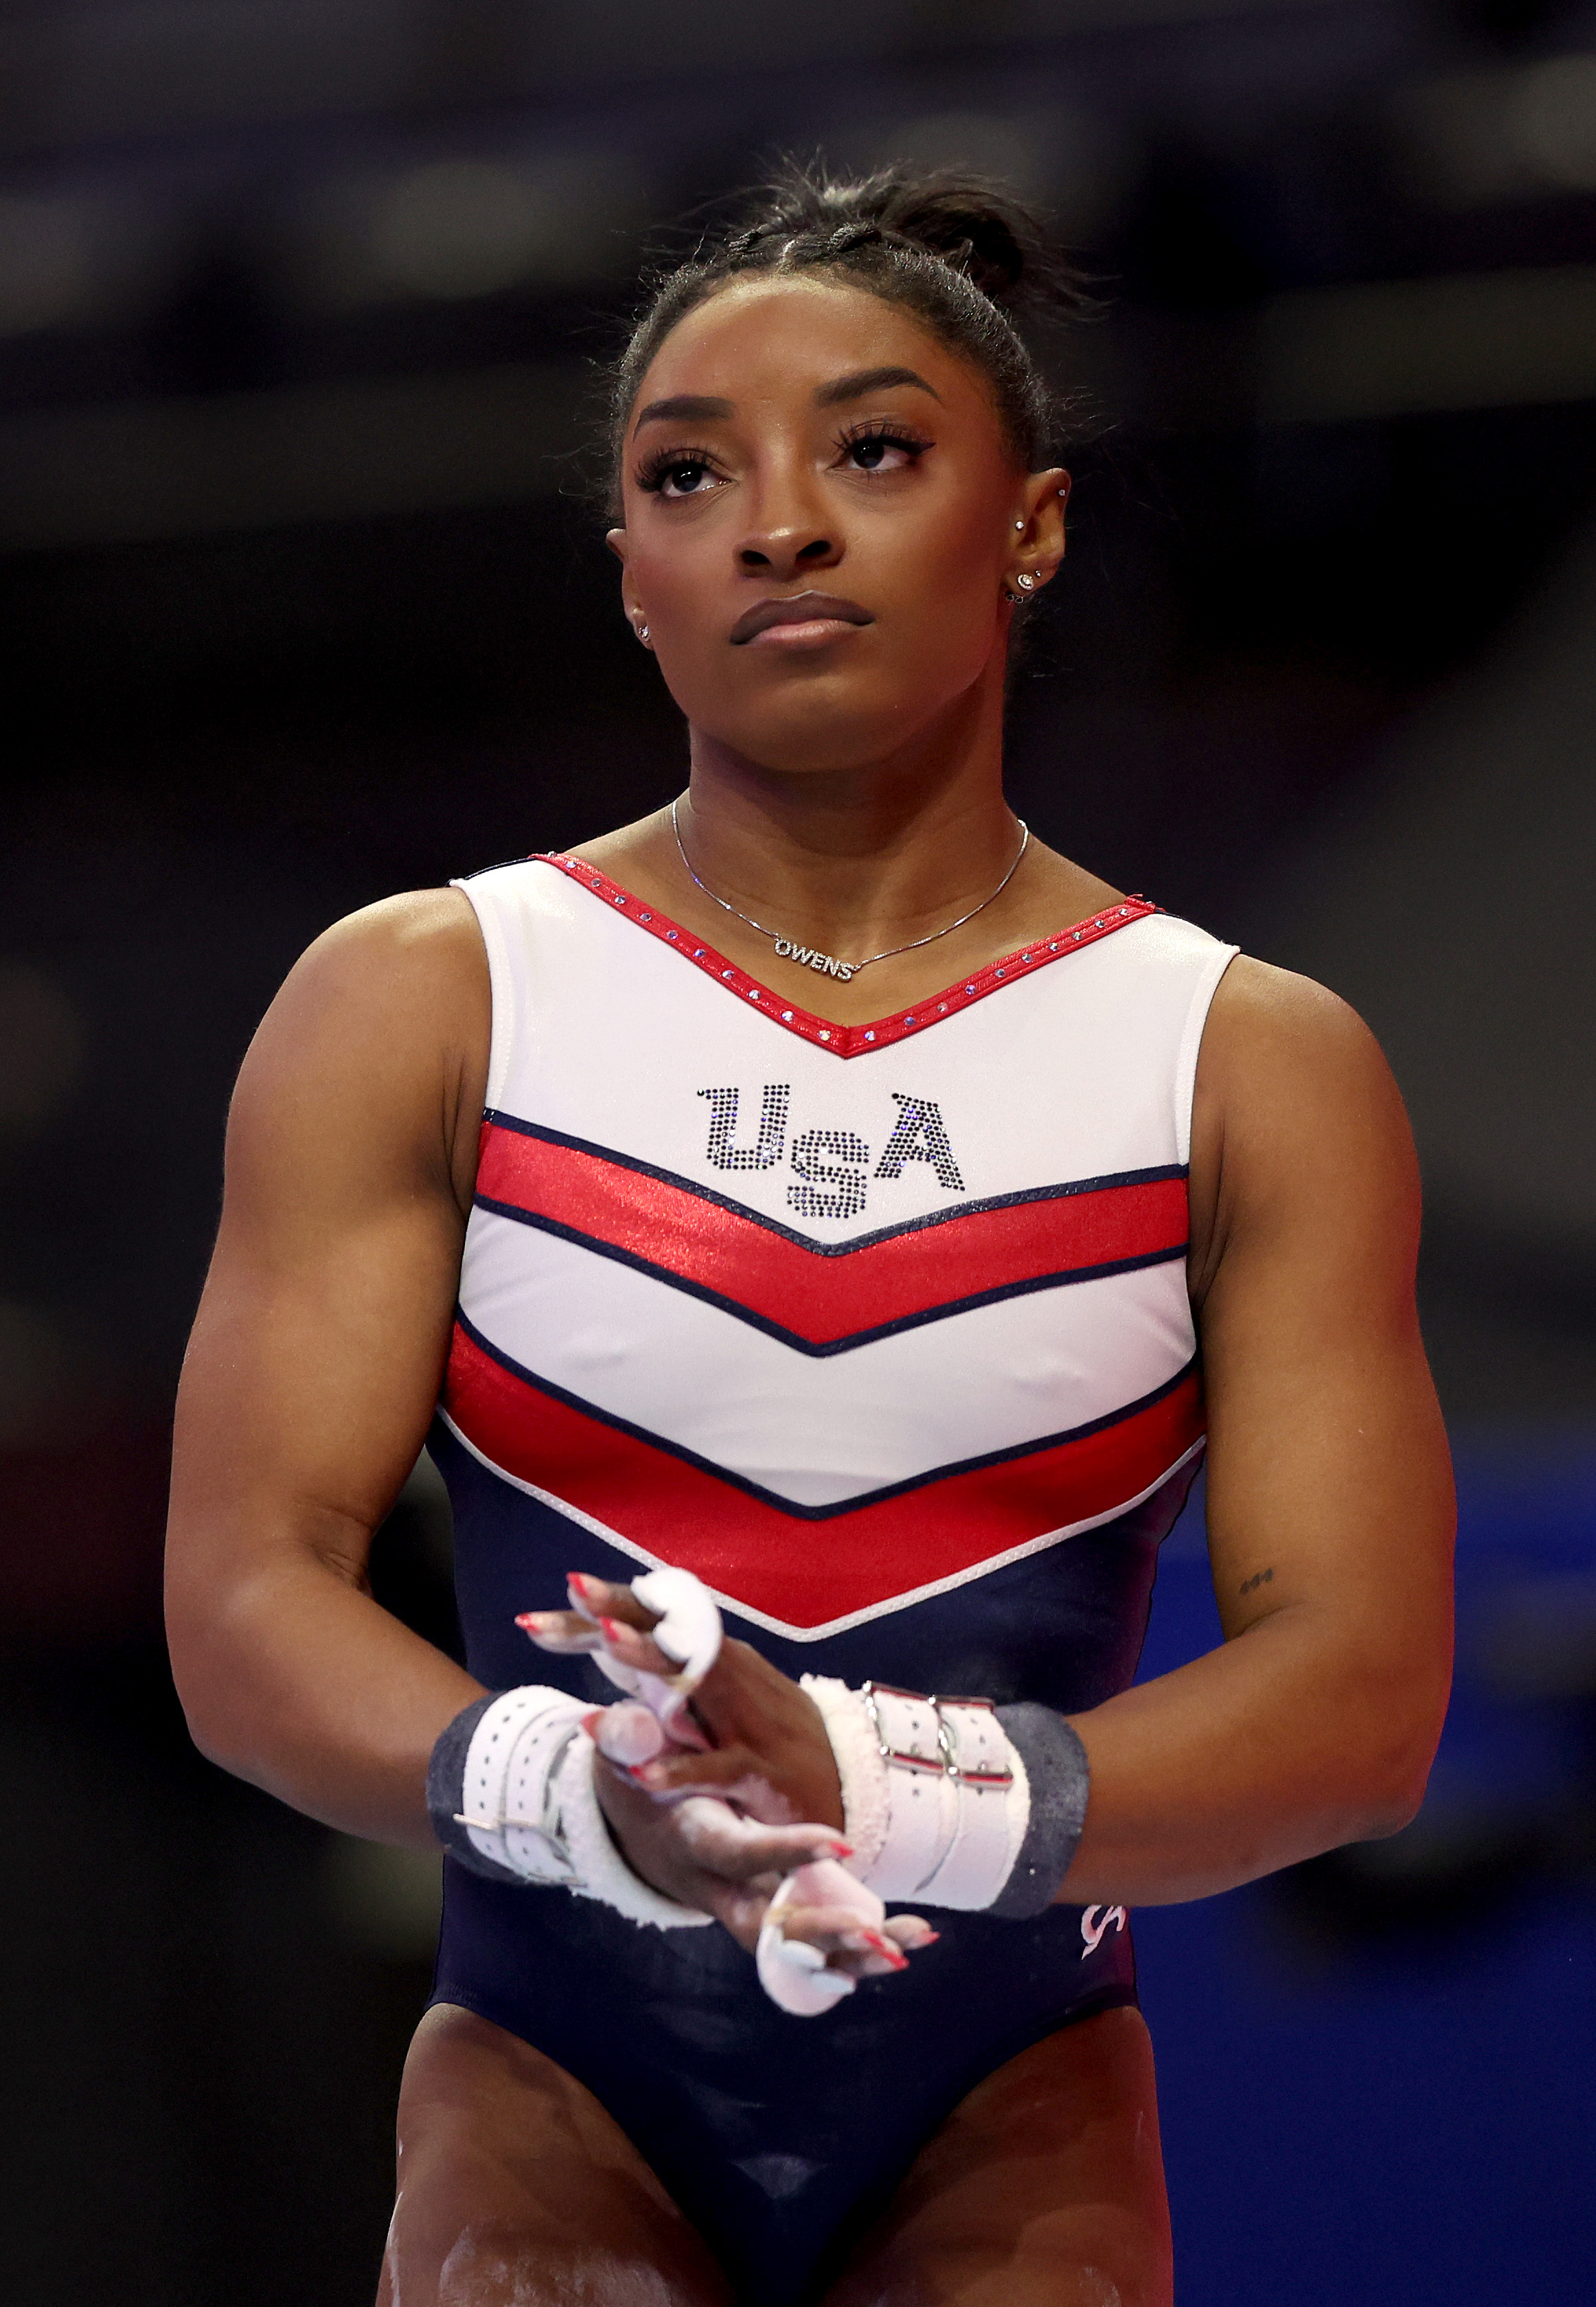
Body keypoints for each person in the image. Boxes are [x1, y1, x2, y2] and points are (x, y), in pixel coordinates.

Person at [163, 166, 1455, 2307]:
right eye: (690, 473)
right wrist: (586, 1797)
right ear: (630, 577)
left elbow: (1359, 1702)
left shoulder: (1238, 1059)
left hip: (1008, 2092)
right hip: (550, 2073)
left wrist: (867, 1782)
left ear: (1027, 525)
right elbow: (238, 1603)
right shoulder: (429, 994)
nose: (776, 520)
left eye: (871, 448)